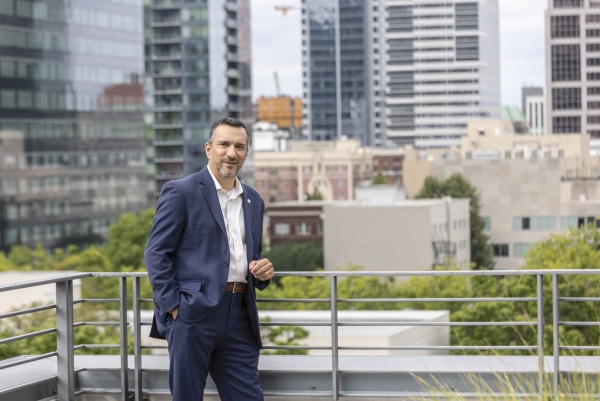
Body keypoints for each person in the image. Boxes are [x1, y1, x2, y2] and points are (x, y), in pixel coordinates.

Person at [144, 117, 275, 401]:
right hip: (192, 314)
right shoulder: (181, 191)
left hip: (240, 316)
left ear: (246, 152)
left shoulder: (254, 200)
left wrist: (261, 270)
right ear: (208, 149)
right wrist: (175, 308)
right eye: (224, 144)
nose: (231, 153)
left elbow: (250, 255)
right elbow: (156, 252)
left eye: (239, 146)